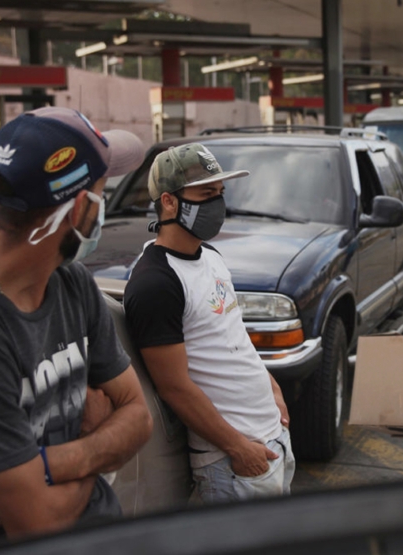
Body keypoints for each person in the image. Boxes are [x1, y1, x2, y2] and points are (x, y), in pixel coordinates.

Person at [0, 107, 153, 546]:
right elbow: (38, 524)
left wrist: (48, 463)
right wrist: (98, 438)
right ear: (80, 207)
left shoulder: (71, 282)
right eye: (102, 192)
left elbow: (140, 419)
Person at [123, 143, 294, 504]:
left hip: (271, 438)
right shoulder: (155, 283)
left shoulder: (211, 257)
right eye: (206, 194)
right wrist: (237, 448)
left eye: (220, 193)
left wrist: (272, 387)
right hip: (233, 461)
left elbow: (230, 336)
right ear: (169, 202)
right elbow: (174, 387)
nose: (217, 204)